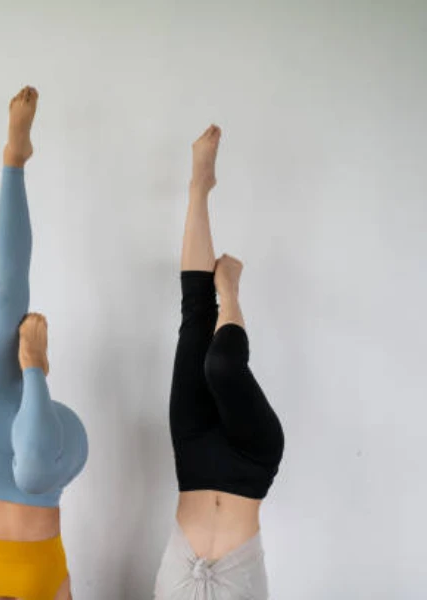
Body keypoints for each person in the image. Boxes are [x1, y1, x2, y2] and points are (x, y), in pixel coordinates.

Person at [0, 86, 89, 600]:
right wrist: (31, 373)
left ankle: (14, 160)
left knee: (7, 297)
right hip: (50, 464)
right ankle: (37, 367)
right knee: (34, 469)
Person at [154, 126, 285, 599]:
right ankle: (229, 287)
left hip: (192, 459)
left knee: (195, 317)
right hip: (251, 462)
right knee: (222, 367)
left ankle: (198, 186)